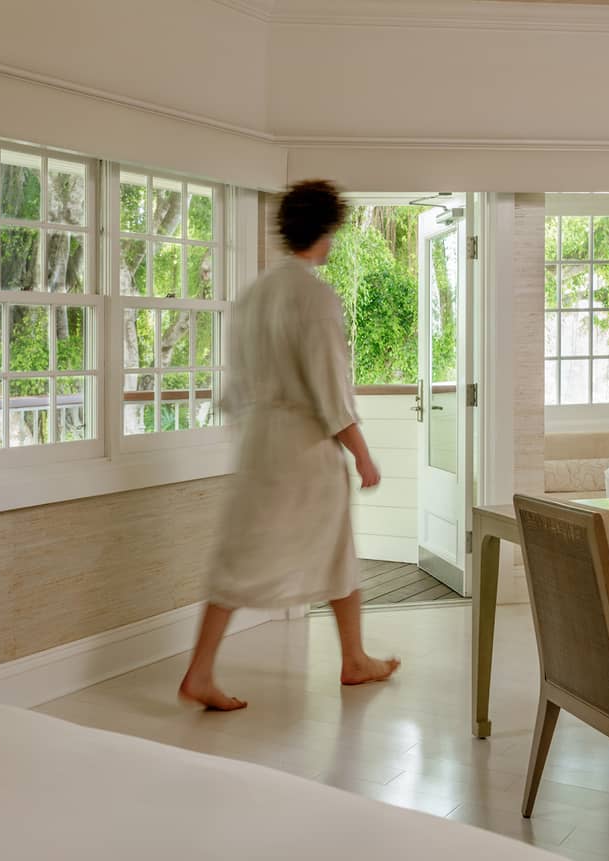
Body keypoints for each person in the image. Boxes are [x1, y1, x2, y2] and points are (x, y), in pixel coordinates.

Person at [178, 180, 400, 712]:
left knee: (241, 555)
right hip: (303, 449)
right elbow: (331, 390)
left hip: (259, 444)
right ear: (326, 231)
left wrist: (254, 431)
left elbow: (234, 388)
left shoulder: (254, 295)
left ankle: (205, 671)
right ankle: (352, 659)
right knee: (334, 549)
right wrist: (362, 453)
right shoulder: (316, 298)